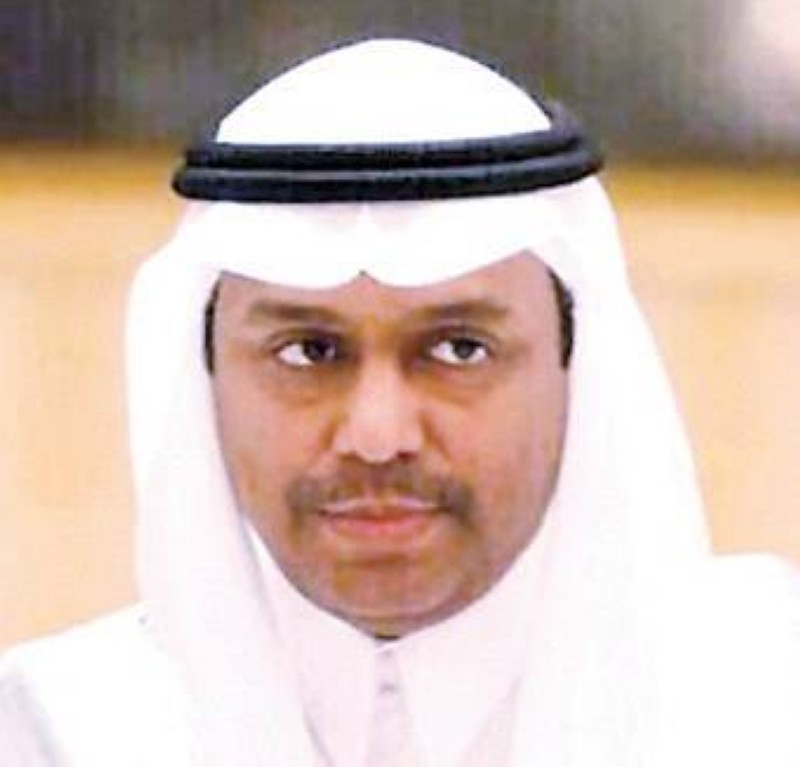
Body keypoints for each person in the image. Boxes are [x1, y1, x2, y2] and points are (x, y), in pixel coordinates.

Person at [1, 38, 798, 767]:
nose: (378, 434)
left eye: (459, 349)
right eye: (308, 352)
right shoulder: (55, 730)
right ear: (206, 376)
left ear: (576, 363)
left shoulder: (766, 707)